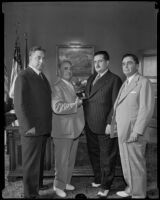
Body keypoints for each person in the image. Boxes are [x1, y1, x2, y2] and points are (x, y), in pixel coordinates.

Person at [110, 53, 155, 198]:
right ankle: (130, 188)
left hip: (134, 132)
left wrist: (137, 131)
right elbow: (119, 107)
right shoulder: (126, 82)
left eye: (129, 63)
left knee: (136, 164)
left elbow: (146, 109)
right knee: (125, 162)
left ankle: (139, 194)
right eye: (123, 64)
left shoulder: (143, 82)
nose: (126, 66)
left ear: (137, 65)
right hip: (123, 131)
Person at [14, 46, 52, 199]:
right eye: (38, 57)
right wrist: (27, 127)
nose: (41, 61)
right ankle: (30, 194)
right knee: (31, 163)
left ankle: (38, 184)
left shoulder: (42, 76)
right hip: (32, 128)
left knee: (39, 161)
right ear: (30, 58)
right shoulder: (24, 75)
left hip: (43, 128)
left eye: (43, 58)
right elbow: (19, 104)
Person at [83, 51, 122, 197]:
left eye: (100, 61)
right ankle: (99, 179)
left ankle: (106, 186)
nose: (97, 64)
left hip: (104, 125)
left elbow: (116, 104)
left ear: (107, 62)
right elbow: (89, 99)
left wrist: (109, 123)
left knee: (107, 157)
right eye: (95, 62)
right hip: (90, 124)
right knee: (94, 154)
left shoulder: (114, 79)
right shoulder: (91, 78)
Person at [51, 60, 85, 198]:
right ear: (59, 71)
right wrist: (75, 105)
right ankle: (58, 185)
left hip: (74, 129)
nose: (69, 71)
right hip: (63, 130)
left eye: (70, 69)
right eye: (65, 68)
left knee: (70, 160)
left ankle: (65, 182)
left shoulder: (71, 85)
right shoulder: (56, 86)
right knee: (61, 161)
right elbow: (57, 107)